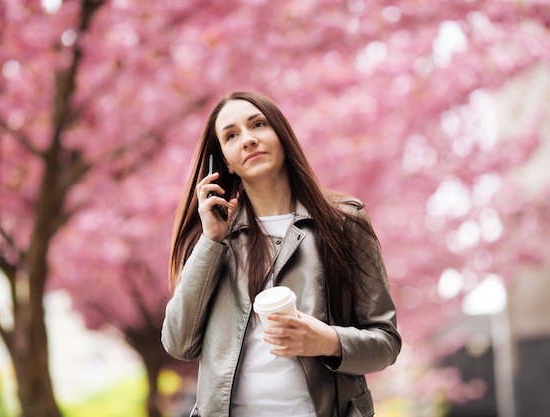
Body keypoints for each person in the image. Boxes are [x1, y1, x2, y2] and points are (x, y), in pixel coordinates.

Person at [161, 91, 401, 417]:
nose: (247, 140)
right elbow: (178, 342)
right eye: (231, 135)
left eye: (258, 124)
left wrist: (329, 341)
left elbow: (386, 343)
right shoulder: (213, 237)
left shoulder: (345, 222)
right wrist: (211, 241)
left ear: (281, 134)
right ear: (224, 161)